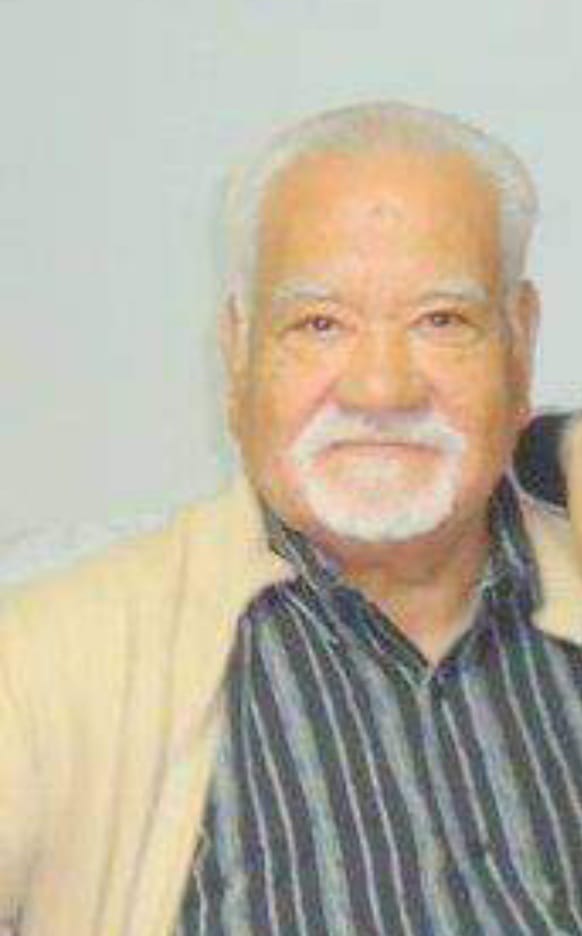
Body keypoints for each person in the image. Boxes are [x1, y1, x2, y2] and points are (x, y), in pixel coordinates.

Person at [0, 102, 581, 936]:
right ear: (236, 354)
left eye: (441, 322)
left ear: (520, 343)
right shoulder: (44, 663)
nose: (382, 389)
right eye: (319, 325)